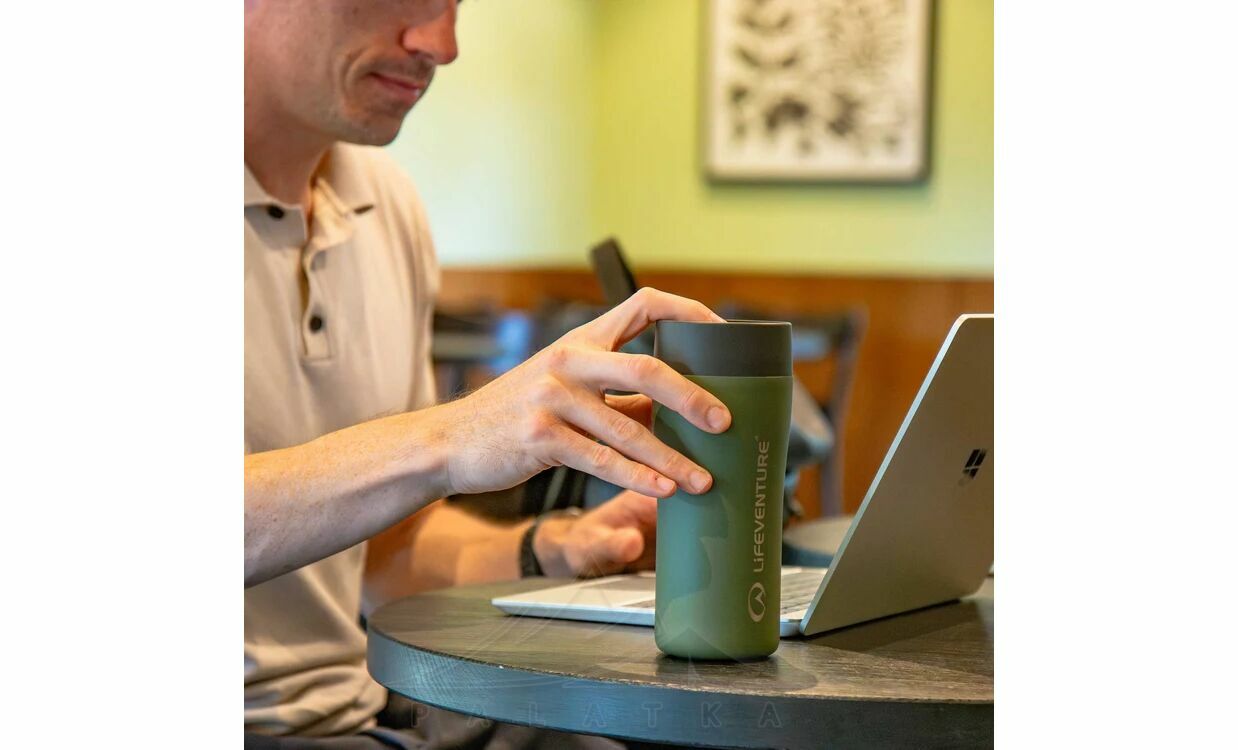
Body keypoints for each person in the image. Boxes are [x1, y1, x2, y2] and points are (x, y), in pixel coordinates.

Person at [244, 1, 732, 747]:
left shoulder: (386, 203)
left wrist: (552, 548)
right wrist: (452, 437)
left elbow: (383, 556)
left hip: (358, 715)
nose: (441, 44)